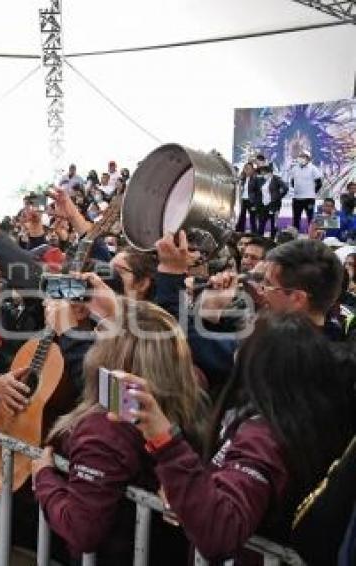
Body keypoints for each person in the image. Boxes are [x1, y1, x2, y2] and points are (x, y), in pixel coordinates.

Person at [124, 313, 354, 562]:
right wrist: (191, 494)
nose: (234, 354)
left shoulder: (263, 439)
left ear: (258, 365)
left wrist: (165, 441)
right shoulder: (312, 418)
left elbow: (220, 529)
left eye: (241, 346)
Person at [29, 298, 206, 563]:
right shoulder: (192, 392)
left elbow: (82, 530)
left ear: (112, 355)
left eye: (101, 337)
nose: (93, 343)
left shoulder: (105, 430)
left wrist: (44, 478)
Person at [287, 150, 323, 232]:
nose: (301, 158)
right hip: (297, 198)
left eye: (304, 157)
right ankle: (295, 236)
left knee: (310, 218)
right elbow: (292, 181)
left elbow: (319, 183)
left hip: (309, 198)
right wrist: (297, 189)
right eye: (300, 156)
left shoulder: (313, 168)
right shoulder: (294, 168)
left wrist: (312, 193)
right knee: (296, 218)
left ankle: (312, 235)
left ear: (308, 158)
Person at [249, 163, 287, 237]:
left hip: (273, 205)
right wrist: (254, 201)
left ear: (270, 172)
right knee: (261, 224)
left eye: (265, 172)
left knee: (273, 224)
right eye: (262, 172)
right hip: (263, 205)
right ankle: (260, 239)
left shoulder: (276, 179)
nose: (263, 174)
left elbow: (285, 188)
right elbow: (253, 190)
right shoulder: (260, 180)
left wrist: (279, 197)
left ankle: (272, 240)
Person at [236, 162, 257, 233]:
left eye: (248, 168)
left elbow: (258, 192)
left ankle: (254, 234)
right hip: (243, 200)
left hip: (251, 201)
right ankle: (240, 232)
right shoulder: (242, 178)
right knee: (241, 217)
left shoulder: (255, 178)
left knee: (252, 219)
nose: (247, 170)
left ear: (252, 169)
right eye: (245, 168)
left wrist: (255, 204)